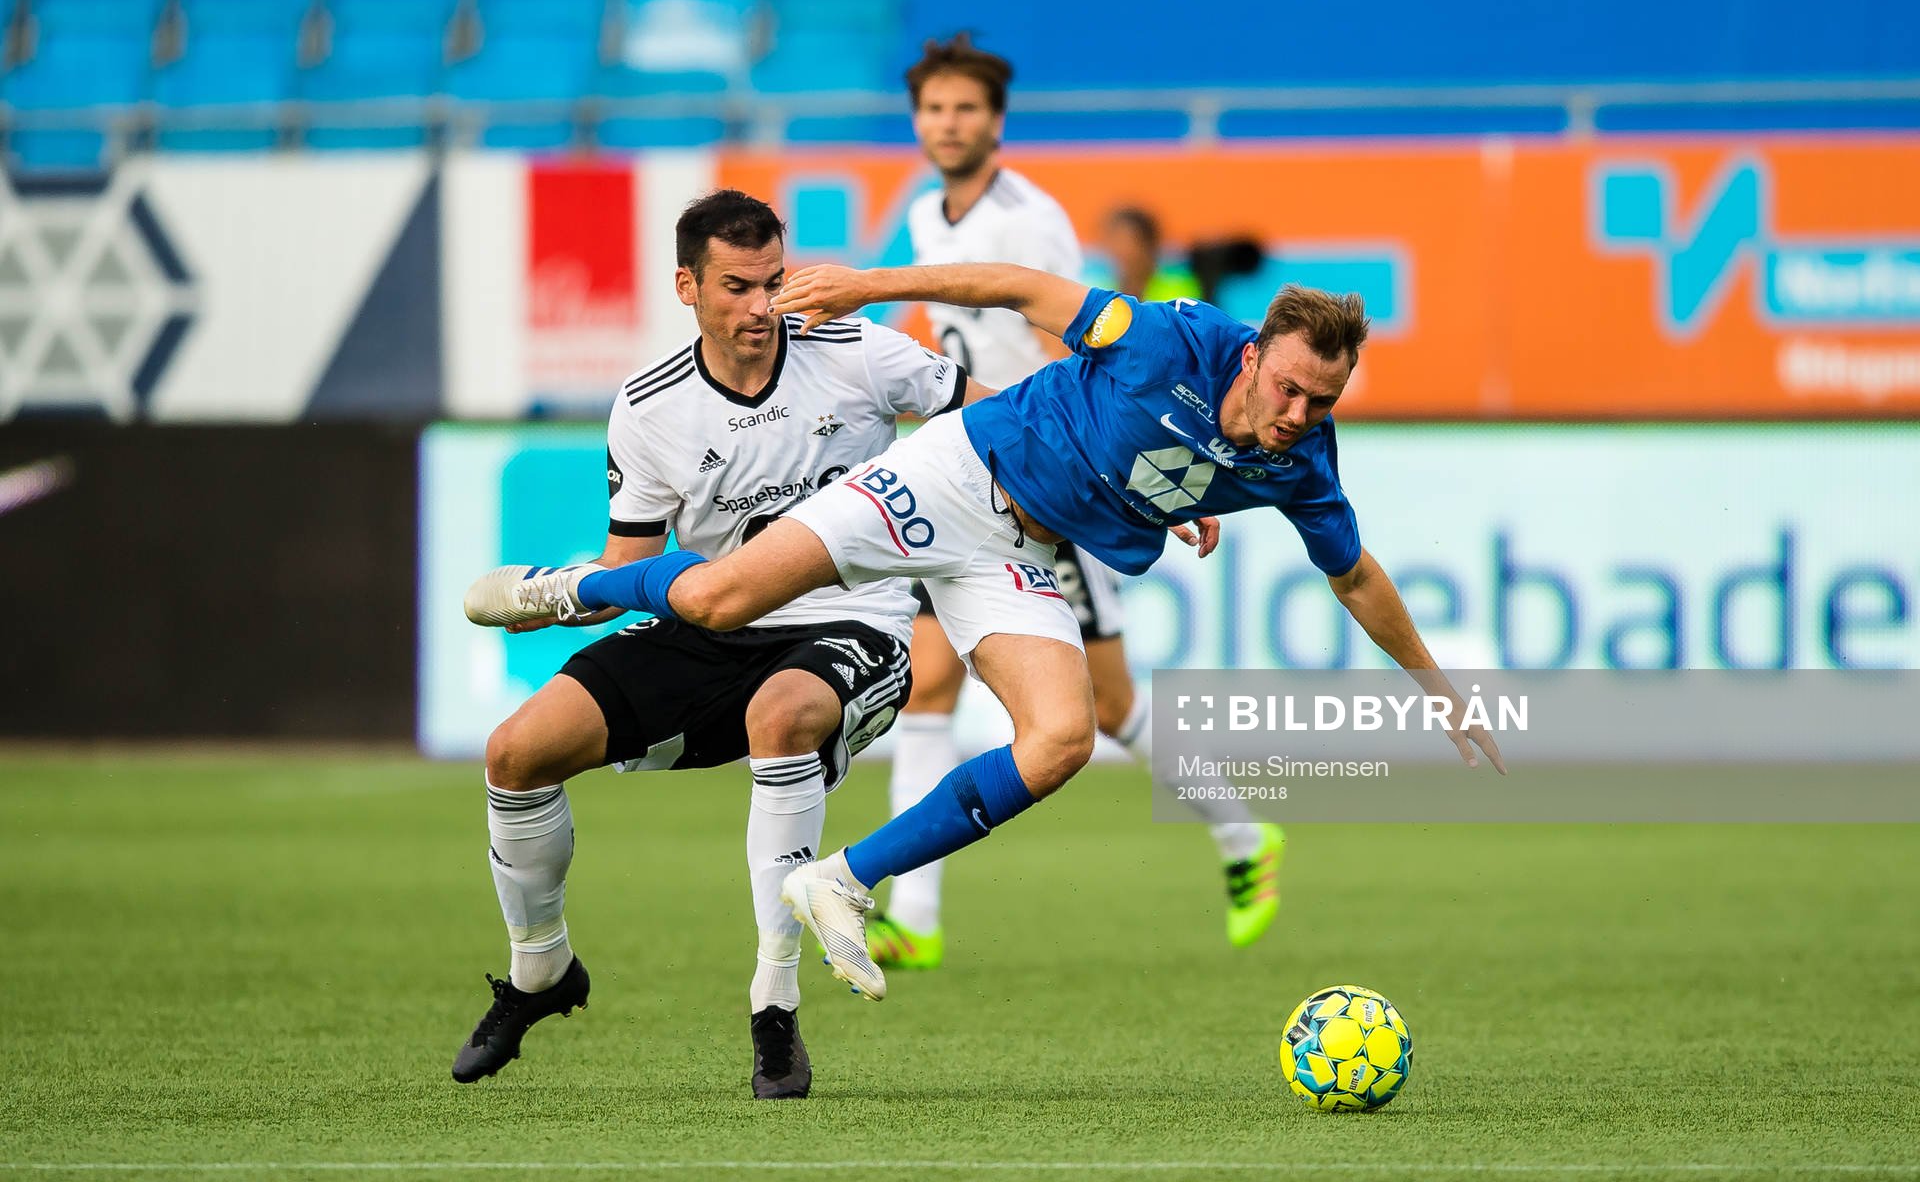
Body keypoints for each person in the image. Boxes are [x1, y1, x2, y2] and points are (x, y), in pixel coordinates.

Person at [465, 260, 1506, 1006]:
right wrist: (871, 287)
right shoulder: (1162, 337)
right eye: (1287, 387)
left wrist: (1435, 687)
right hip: (952, 473)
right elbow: (1019, 287)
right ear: (1255, 350)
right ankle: (583, 587)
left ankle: (844, 878)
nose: (1297, 413)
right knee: (716, 601)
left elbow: (1356, 574)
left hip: (1017, 556)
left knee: (1060, 739)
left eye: (1321, 399)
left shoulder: (1303, 459)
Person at [451, 191, 986, 1096]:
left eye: (774, 282)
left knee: (781, 717)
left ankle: (773, 1010)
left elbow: (1009, 424)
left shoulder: (859, 351)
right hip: (709, 624)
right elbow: (632, 568)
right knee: (516, 753)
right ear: (686, 287)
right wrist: (553, 600)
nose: (760, 307)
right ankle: (542, 969)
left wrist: (1132, 490)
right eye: (736, 287)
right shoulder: (649, 406)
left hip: (854, 621)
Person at [877, 35, 1283, 970]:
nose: (949, 124)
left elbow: (1081, 342)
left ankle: (1240, 833)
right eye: (935, 108)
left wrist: (1136, 473)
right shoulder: (927, 216)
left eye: (966, 109)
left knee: (1105, 707)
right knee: (928, 686)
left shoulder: (1032, 224)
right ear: (918, 119)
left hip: (1057, 480)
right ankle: (916, 914)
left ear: (996, 122)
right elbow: (942, 333)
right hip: (970, 472)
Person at [1102, 207, 1203, 304]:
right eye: (1112, 243)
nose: (1118, 252)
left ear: (1148, 245)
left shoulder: (1177, 283)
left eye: (1125, 243)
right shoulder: (1104, 284)